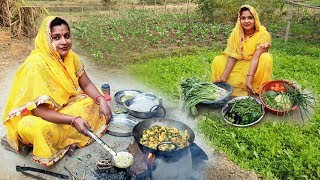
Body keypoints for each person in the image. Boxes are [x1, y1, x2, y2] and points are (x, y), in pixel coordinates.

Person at [1, 16, 112, 166]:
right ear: (47, 39)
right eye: (56, 37)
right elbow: (39, 112)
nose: (64, 42)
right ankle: (66, 137)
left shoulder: (71, 57)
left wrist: (101, 100)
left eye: (66, 36)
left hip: (63, 107)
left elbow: (86, 85)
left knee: (93, 100)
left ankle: (66, 139)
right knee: (35, 127)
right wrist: (73, 120)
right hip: (39, 116)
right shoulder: (35, 65)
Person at [212, 5, 272, 96]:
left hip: (254, 65)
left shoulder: (263, 34)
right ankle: (224, 85)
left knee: (266, 58)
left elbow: (256, 58)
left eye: (250, 18)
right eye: (243, 18)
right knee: (218, 60)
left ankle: (256, 89)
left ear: (255, 19)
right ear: (239, 20)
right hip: (240, 63)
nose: (246, 21)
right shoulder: (236, 33)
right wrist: (223, 77)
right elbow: (233, 55)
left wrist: (248, 81)